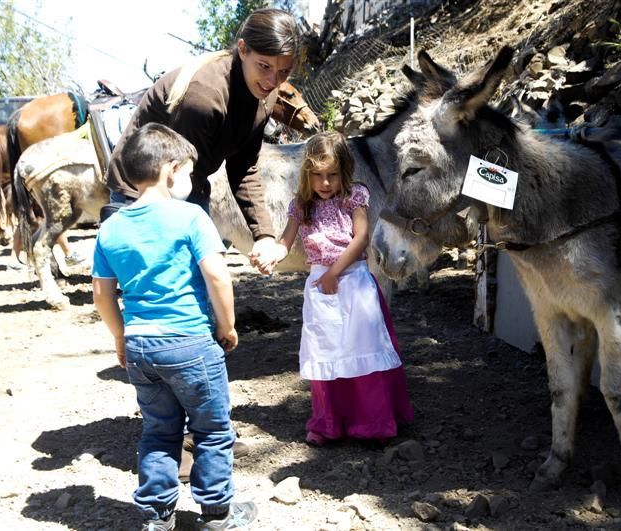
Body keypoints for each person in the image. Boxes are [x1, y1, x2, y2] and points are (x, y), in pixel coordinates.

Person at [92, 123, 256, 531]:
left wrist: (120, 336)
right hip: (190, 342)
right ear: (171, 169)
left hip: (141, 347)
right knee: (213, 429)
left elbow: (101, 293)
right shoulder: (190, 217)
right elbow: (218, 277)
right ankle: (218, 513)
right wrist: (228, 325)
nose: (189, 180)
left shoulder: (110, 227)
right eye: (187, 172)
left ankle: (157, 517)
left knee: (158, 431)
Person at [104, 7, 299, 274]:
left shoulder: (266, 95)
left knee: (192, 276)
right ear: (243, 50)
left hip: (187, 178)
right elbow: (181, 178)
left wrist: (263, 235)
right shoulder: (204, 96)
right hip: (141, 185)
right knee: (156, 281)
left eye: (284, 72)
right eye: (264, 66)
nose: (272, 81)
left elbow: (244, 165)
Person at [258, 132, 414, 446]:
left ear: (344, 171)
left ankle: (373, 423)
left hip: (353, 282)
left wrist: (335, 272)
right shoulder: (301, 205)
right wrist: (271, 255)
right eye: (317, 175)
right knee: (327, 352)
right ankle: (329, 423)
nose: (325, 183)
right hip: (321, 288)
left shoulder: (354, 196)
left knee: (363, 351)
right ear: (307, 174)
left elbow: (360, 238)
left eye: (332, 175)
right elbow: (286, 241)